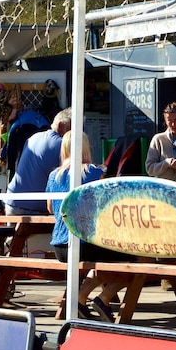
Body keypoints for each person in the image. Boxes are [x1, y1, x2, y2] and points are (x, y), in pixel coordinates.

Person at [46, 130, 130, 321]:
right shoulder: (95, 172)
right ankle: (104, 298)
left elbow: (50, 208)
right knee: (132, 259)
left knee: (104, 259)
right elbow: (108, 206)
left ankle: (81, 300)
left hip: (60, 246)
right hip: (82, 243)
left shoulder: (53, 176)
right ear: (86, 148)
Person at [5, 107, 72, 215]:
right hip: (33, 209)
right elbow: (67, 180)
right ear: (60, 126)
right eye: (72, 130)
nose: (75, 136)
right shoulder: (61, 145)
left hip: (11, 203)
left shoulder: (33, 138)